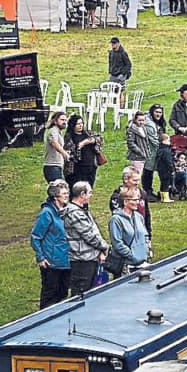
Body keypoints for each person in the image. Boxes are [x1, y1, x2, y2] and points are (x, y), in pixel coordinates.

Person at [62, 181, 108, 297]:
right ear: (82, 194)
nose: (91, 195)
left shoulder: (81, 210)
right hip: (81, 260)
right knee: (81, 294)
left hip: (89, 258)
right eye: (89, 193)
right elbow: (89, 235)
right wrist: (104, 247)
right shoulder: (75, 213)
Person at [31, 179, 71, 308]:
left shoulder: (66, 211)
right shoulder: (47, 213)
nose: (66, 196)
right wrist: (41, 257)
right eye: (64, 193)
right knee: (50, 295)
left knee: (63, 292)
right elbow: (36, 236)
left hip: (66, 260)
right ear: (55, 196)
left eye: (67, 193)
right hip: (51, 261)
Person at [109, 187, 150, 273]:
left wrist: (146, 249)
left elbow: (145, 235)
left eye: (138, 200)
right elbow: (117, 243)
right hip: (126, 265)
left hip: (142, 263)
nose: (137, 203)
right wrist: (131, 255)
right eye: (134, 200)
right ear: (125, 202)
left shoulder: (139, 217)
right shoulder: (116, 220)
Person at [109, 166, 152, 241]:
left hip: (141, 233)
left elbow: (147, 215)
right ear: (126, 180)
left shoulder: (142, 193)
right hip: (125, 236)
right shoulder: (117, 197)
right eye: (134, 180)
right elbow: (117, 219)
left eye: (138, 180)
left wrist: (148, 235)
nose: (137, 183)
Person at [64, 115, 103, 187]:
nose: (80, 125)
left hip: (90, 166)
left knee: (89, 188)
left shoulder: (88, 133)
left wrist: (86, 142)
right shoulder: (69, 137)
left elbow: (99, 138)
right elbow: (69, 151)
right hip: (77, 168)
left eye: (81, 123)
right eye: (78, 124)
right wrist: (78, 147)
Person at [142, 104, 165, 200]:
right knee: (148, 170)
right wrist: (163, 145)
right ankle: (147, 191)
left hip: (154, 150)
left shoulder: (158, 122)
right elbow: (154, 139)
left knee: (150, 170)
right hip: (149, 150)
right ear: (152, 112)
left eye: (160, 112)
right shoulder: (149, 124)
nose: (158, 114)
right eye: (156, 112)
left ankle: (150, 191)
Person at [44, 111, 70, 183]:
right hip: (52, 166)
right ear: (55, 121)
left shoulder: (58, 132)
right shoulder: (53, 131)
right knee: (58, 191)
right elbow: (55, 143)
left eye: (65, 120)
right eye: (62, 120)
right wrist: (63, 152)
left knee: (57, 191)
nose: (64, 122)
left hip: (57, 166)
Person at [155, 132, 175, 203]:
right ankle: (166, 198)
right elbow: (169, 161)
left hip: (160, 169)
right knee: (166, 183)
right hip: (166, 169)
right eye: (168, 140)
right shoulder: (166, 151)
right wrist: (172, 169)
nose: (170, 142)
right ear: (164, 141)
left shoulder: (159, 149)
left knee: (162, 182)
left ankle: (162, 197)